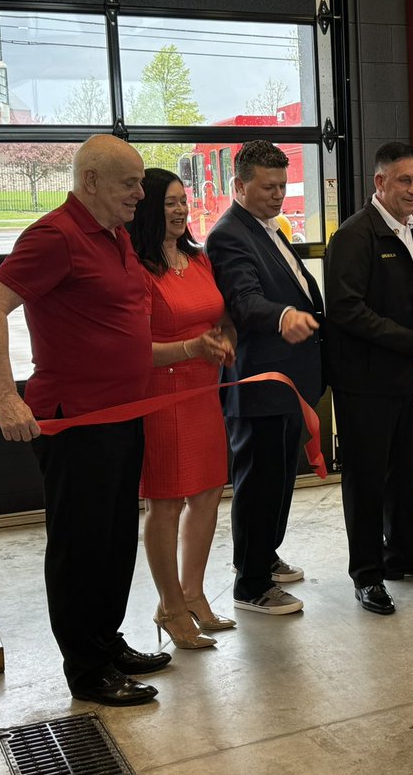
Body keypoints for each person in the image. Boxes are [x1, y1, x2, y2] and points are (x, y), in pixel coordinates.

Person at [0, 134, 169, 705]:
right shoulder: (54, 236)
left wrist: (188, 350)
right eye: (130, 183)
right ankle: (86, 671)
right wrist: (7, 398)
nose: (141, 193)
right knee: (81, 548)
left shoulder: (117, 237)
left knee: (112, 543)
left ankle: (106, 644)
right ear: (90, 183)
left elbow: (121, 331)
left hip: (122, 417)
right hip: (75, 423)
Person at [323, 143, 413, 616]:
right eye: (405, 181)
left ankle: (403, 555)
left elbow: (412, 297)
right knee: (365, 479)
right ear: (379, 183)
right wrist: (408, 340)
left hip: (402, 374)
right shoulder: (354, 236)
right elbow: (344, 309)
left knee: (403, 473)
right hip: (363, 381)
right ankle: (368, 575)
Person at [206, 140, 325, 616]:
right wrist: (284, 317)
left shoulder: (266, 227)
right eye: (268, 187)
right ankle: (250, 584)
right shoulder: (229, 235)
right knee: (258, 482)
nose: (279, 196)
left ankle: (265, 556)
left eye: (283, 186)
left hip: (287, 381)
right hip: (258, 380)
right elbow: (245, 300)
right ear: (239, 185)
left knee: (278, 479)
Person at [127, 168, 237, 648]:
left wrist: (224, 343)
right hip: (162, 393)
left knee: (209, 492)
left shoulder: (199, 260)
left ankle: (193, 593)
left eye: (182, 200)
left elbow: (222, 319)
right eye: (169, 202)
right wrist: (192, 348)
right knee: (166, 502)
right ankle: (169, 605)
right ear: (149, 207)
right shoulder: (135, 269)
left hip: (203, 390)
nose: (180, 209)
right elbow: (133, 348)